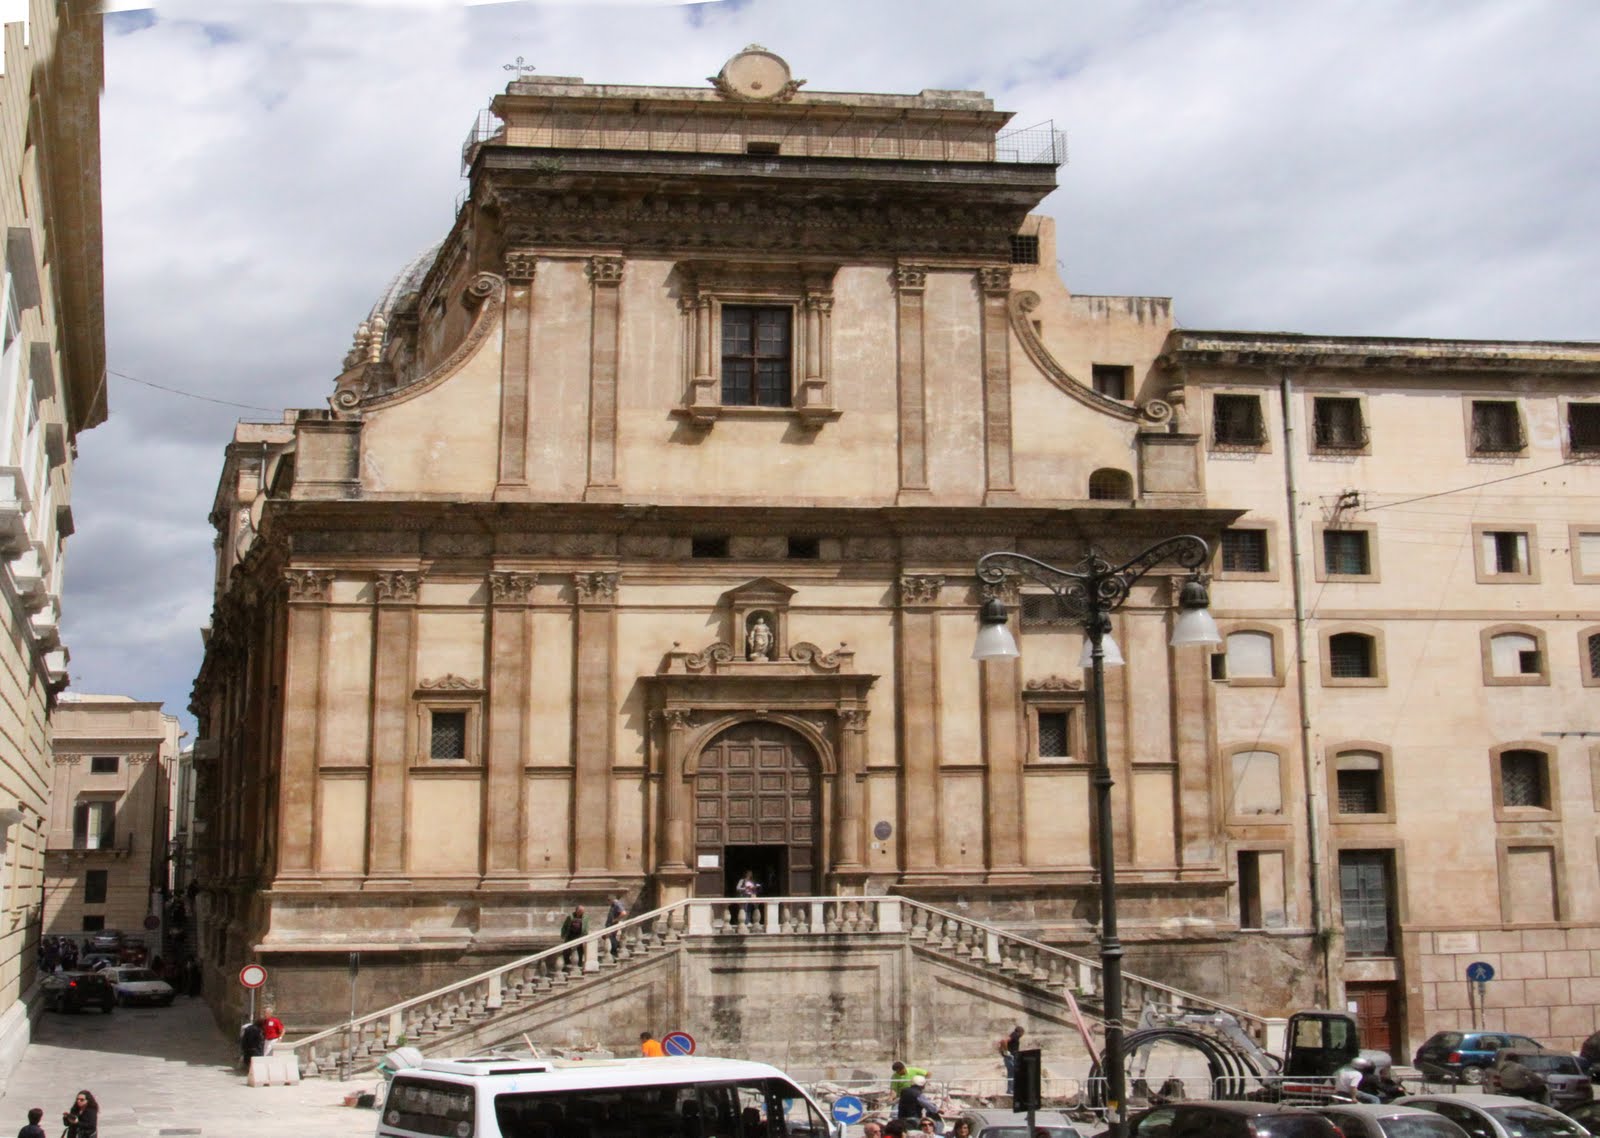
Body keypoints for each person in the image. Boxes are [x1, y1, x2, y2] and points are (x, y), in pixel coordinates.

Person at [1000, 1026, 1024, 1095]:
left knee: (1012, 1073)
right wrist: (1006, 1051)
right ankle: (1010, 1090)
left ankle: (1011, 1089)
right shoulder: (1015, 1035)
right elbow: (1003, 1041)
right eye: (1022, 1034)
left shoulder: (1013, 1035)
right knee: (1012, 1073)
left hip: (1010, 1057)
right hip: (1010, 1057)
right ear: (1020, 1032)